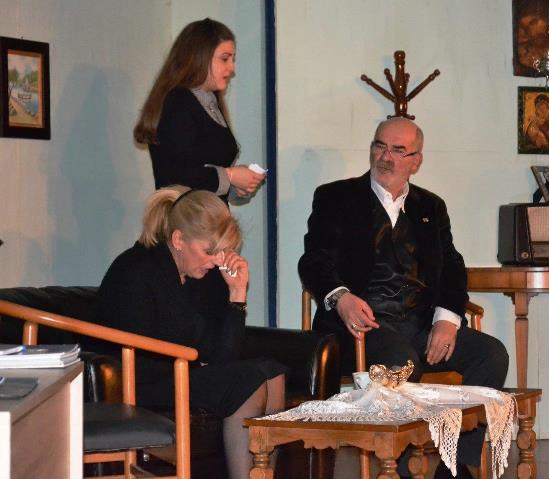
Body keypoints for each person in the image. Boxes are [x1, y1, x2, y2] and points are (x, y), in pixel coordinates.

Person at [298, 117, 508, 479]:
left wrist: (447, 320)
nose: (386, 157)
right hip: (358, 329)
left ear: (416, 161)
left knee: (491, 354)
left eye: (398, 150)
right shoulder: (336, 197)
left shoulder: (431, 207)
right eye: (380, 146)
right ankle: (402, 468)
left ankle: (455, 465)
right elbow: (313, 260)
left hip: (419, 324)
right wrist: (341, 297)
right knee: (402, 361)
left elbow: (452, 268)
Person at [94, 186, 285, 479]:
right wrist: (196, 361)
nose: (216, 261)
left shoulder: (200, 274)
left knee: (272, 371)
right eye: (209, 251)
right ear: (178, 239)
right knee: (247, 380)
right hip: (137, 381)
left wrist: (237, 294)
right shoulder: (137, 268)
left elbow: (222, 355)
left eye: (222, 252)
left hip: (179, 370)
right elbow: (140, 354)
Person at [133, 18, 265, 201]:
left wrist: (236, 186)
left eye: (233, 59)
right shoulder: (177, 102)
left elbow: (206, 175)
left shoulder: (209, 100)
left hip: (206, 216)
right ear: (199, 56)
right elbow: (177, 176)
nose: (232, 68)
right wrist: (231, 175)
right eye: (224, 59)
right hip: (184, 217)